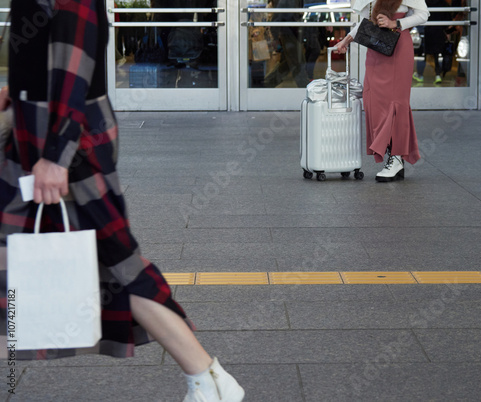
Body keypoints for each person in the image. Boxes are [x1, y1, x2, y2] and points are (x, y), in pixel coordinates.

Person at [0, 1, 244, 401]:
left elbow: (74, 70)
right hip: (42, 139)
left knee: (119, 265)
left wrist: (56, 157)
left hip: (65, 147)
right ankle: (208, 380)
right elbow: (51, 54)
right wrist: (19, 91)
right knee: (105, 263)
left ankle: (207, 378)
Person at [335, 0, 429, 182]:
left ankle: (396, 157)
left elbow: (423, 14)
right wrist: (347, 39)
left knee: (395, 104)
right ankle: (392, 155)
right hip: (377, 48)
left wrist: (397, 23)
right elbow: (365, 24)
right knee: (372, 101)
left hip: (399, 47)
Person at [264, 0, 310, 88]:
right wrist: (275, 36)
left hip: (291, 32)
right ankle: (304, 88)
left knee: (288, 63)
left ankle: (267, 83)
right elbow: (278, 16)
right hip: (288, 33)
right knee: (298, 62)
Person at [413, 0, 453, 85]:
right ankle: (438, 75)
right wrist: (447, 32)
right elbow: (448, 20)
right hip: (439, 32)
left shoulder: (423, 3)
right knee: (437, 55)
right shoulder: (443, 3)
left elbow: (417, 18)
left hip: (426, 31)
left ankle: (420, 75)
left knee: (423, 54)